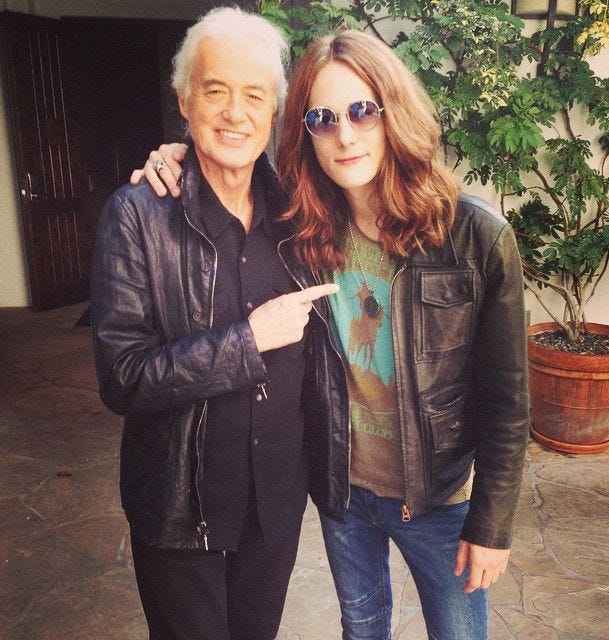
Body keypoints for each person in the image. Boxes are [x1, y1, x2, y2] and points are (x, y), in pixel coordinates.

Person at [135, 28, 530, 640]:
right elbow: (228, 161)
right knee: (362, 631)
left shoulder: (475, 237)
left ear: (392, 111)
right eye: (322, 118)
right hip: (346, 497)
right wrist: (178, 156)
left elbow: (507, 401)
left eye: (362, 111)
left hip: (441, 499)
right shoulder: (303, 228)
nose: (344, 134)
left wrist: (492, 524)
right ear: (306, 134)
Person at [91, 8, 338, 640]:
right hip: (180, 514)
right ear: (185, 101)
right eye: (215, 91)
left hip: (276, 504)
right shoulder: (138, 215)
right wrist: (248, 340)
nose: (235, 113)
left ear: (275, 108)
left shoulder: (300, 212)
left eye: (254, 95)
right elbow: (123, 377)